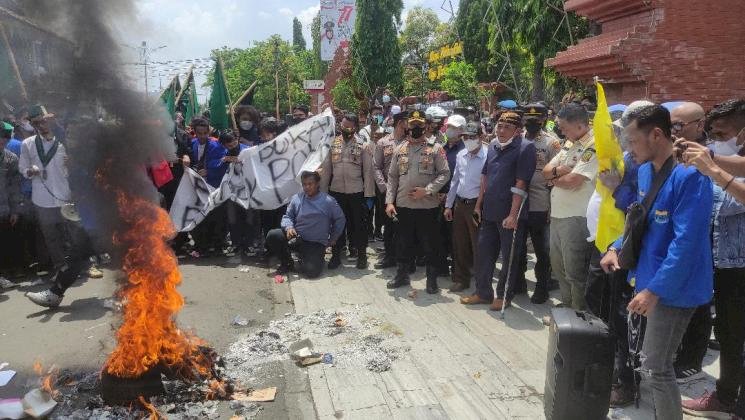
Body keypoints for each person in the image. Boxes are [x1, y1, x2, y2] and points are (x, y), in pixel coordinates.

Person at [601, 104, 713, 420]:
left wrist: (655, 291)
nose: (628, 150)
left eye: (633, 142)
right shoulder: (647, 171)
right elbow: (642, 219)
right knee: (650, 363)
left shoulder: (691, 176)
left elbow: (686, 243)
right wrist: (617, 247)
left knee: (655, 366)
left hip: (676, 287)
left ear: (657, 134)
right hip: (651, 278)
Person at [460, 112, 536, 310]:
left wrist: (512, 215)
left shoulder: (525, 148)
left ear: (517, 131)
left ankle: (503, 296)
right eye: (499, 126)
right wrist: (478, 205)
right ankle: (483, 292)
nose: (501, 131)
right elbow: (485, 177)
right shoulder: (493, 145)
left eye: (507, 128)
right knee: (484, 254)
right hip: (489, 210)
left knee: (509, 257)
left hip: (510, 214)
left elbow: (521, 184)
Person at [20, 105, 91, 307]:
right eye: (36, 123)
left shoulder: (65, 141)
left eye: (44, 120)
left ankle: (84, 267)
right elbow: (22, 167)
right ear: (33, 125)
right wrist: (29, 172)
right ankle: (61, 270)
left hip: (67, 196)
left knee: (77, 234)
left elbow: (83, 165)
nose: (41, 125)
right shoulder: (28, 144)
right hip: (42, 198)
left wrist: (74, 162)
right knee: (52, 237)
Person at [385, 110, 450, 293]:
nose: (415, 128)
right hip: (404, 205)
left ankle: (431, 279)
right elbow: (392, 177)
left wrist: (427, 190)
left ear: (425, 126)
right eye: (412, 125)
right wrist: (390, 202)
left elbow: (445, 173)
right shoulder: (400, 149)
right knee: (403, 243)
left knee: (429, 244)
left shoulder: (436, 148)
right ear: (407, 125)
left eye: (419, 125)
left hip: (427, 206)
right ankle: (402, 275)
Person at [542, 104, 599, 310]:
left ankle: (578, 316)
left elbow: (574, 181)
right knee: (558, 267)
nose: (561, 132)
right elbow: (546, 170)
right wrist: (558, 172)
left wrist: (552, 179)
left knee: (575, 271)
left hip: (577, 216)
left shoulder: (593, 144)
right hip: (558, 214)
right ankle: (566, 309)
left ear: (579, 125)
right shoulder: (569, 143)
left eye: (564, 127)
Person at [516, 103, 562, 303]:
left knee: (542, 251)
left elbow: (557, 176)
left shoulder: (552, 144)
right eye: (528, 118)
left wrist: (552, 208)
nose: (532, 122)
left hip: (540, 202)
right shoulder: (517, 140)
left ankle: (542, 288)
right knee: (518, 247)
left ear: (544, 120)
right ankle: (518, 284)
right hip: (519, 201)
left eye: (536, 119)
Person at [319, 113, 376, 270]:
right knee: (337, 225)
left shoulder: (363, 145)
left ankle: (362, 255)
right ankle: (336, 256)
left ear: (355, 127)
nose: (345, 129)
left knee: (359, 226)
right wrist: (323, 194)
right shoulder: (333, 144)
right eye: (343, 126)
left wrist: (369, 195)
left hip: (356, 192)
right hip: (336, 192)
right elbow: (326, 170)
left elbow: (368, 172)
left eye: (349, 126)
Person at [265, 171, 346, 278]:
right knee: (273, 235)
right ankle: (287, 262)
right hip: (296, 238)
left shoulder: (328, 201)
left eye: (310, 184)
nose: (307, 187)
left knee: (311, 272)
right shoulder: (297, 198)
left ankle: (307, 259)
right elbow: (287, 216)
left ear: (317, 184)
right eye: (304, 184)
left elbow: (340, 219)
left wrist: (333, 238)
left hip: (315, 243)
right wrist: (289, 227)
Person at [444, 121, 487, 292]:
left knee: (478, 246)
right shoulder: (461, 154)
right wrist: (448, 205)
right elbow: (455, 181)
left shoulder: (488, 156)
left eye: (473, 137)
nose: (469, 140)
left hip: (477, 206)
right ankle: (461, 279)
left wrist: (480, 206)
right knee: (459, 244)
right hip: (460, 204)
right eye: (466, 137)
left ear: (481, 137)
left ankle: (482, 283)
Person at [372, 112, 408, 269]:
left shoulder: (411, 142)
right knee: (388, 225)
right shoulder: (383, 142)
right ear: (400, 123)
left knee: (405, 226)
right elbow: (376, 167)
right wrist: (384, 188)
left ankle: (405, 258)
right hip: (387, 192)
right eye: (407, 122)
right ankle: (389, 256)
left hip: (406, 192)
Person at [189, 118, 227, 256]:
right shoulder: (191, 144)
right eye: (200, 133)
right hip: (197, 187)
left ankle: (217, 245)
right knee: (200, 216)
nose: (203, 136)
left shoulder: (217, 145)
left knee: (216, 216)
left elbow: (224, 163)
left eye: (205, 132)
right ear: (195, 132)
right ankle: (201, 245)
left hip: (213, 186)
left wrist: (209, 171)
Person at [0, 123, 22, 290]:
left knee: (4, 244)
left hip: (4, 209)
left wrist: (15, 210)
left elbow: (14, 187)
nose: (2, 142)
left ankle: (3, 276)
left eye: (5, 140)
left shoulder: (11, 159)